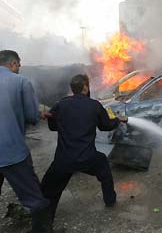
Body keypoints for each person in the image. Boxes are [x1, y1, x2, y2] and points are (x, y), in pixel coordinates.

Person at [41, 74, 127, 223]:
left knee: (48, 191)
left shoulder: (61, 104)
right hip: (88, 158)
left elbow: (52, 126)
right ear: (85, 87)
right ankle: (110, 200)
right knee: (104, 168)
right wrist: (118, 120)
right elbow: (106, 126)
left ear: (72, 89)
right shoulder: (94, 105)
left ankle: (44, 224)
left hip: (64, 160)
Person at [0, 50, 52, 233]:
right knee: (35, 199)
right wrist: (40, 114)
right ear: (13, 63)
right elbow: (31, 115)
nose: (20, 68)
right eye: (19, 64)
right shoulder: (21, 81)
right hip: (10, 151)